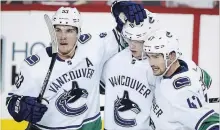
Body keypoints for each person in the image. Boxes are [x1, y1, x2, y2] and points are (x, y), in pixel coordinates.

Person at [6, 1, 147, 130]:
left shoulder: (94, 47)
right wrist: (22, 107)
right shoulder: (34, 66)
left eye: (69, 30)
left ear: (78, 33)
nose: (62, 36)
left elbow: (123, 37)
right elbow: (12, 100)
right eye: (58, 30)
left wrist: (119, 8)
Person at [143, 29, 219, 130]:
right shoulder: (187, 64)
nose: (151, 63)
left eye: (156, 57)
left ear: (172, 56)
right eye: (149, 57)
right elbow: (207, 80)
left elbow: (210, 124)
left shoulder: (180, 94)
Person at [101, 12, 161, 130]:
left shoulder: (157, 68)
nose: (132, 46)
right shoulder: (114, 60)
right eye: (130, 39)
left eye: (138, 41)